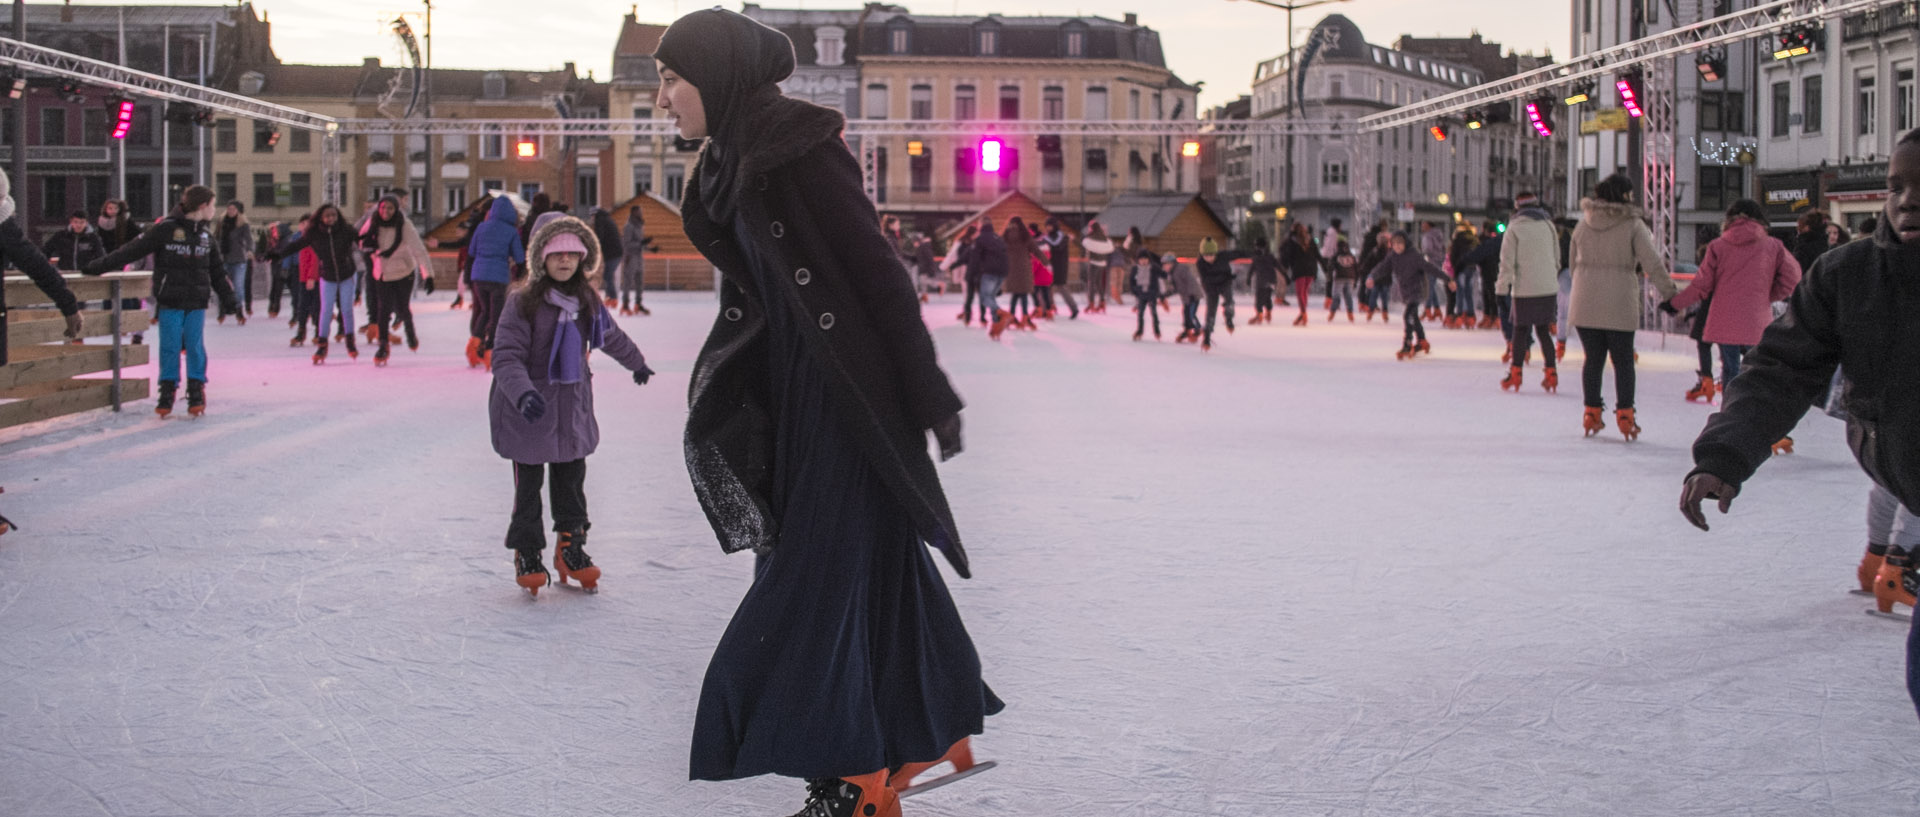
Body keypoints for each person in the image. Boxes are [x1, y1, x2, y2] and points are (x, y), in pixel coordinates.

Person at [653, 12, 1000, 816]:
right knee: (873, 568)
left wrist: (928, 395)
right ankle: (916, 737)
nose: (664, 97)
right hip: (789, 400)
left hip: (848, 398)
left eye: (673, 78)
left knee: (807, 584)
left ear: (717, 73)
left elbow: (878, 273)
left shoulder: (797, 147)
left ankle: (850, 772)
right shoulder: (723, 163)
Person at [1680, 130, 1920, 720]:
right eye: (1896, 187)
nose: (1907, 201)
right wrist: (1725, 455)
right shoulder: (1850, 275)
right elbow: (1781, 370)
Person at [489, 214, 653, 596]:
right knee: (528, 486)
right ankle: (528, 551)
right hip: (529, 409)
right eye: (556, 253)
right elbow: (506, 357)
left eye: (572, 254)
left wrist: (637, 362)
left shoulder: (586, 301)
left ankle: (571, 547)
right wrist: (523, 393)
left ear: (583, 260)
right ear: (540, 259)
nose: (564, 261)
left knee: (571, 483)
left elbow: (610, 336)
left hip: (571, 408)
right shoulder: (522, 303)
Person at [83, 185, 240, 417]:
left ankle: (196, 388)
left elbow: (217, 272)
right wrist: (97, 267)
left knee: (195, 347)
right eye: (213, 205)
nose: (214, 210)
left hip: (196, 302)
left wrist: (230, 300)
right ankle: (167, 389)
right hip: (171, 300)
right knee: (170, 346)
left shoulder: (206, 236)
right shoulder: (165, 229)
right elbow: (131, 250)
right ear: (202, 206)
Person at [1661, 199, 1801, 409]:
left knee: (1730, 369)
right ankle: (1759, 414)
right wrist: (1767, 296)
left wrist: (1674, 304)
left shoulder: (1718, 246)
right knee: (1758, 369)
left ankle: (1729, 416)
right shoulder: (1773, 245)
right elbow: (1793, 277)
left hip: (1725, 319)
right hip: (1757, 319)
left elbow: (1701, 285)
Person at [1569, 172, 1677, 440]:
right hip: (1619, 301)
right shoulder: (1633, 225)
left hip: (1585, 302)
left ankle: (1591, 413)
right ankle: (1625, 415)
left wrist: (1583, 286)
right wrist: (1670, 293)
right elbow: (1651, 262)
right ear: (1626, 195)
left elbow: (1572, 263)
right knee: (1623, 361)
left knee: (1593, 359)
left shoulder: (1584, 223)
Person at [0, 168, 85, 368]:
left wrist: (68, 304)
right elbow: (37, 266)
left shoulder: (4, 227)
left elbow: (37, 265)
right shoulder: (4, 228)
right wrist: (69, 305)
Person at [268, 203, 363, 364]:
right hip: (327, 275)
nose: (331, 218)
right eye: (327, 216)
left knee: (346, 309)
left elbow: (362, 239)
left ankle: (350, 341)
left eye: (333, 215)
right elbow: (295, 246)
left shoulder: (346, 230)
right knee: (325, 311)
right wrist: (277, 254)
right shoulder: (314, 234)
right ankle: (322, 344)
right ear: (321, 217)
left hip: (346, 274)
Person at [1496, 192, 1563, 393]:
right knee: (1543, 331)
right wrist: (1550, 276)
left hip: (1524, 289)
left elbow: (1507, 263)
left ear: (1517, 207)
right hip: (1547, 288)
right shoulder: (1548, 225)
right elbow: (1557, 258)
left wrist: (1501, 289)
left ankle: (1515, 374)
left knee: (1520, 330)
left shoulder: (1514, 227)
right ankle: (1551, 374)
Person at [358, 194, 433, 366]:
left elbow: (419, 250)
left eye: (390, 208)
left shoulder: (404, 224)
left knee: (402, 308)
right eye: (383, 207)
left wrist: (427, 275)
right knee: (383, 310)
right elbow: (361, 239)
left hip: (403, 273)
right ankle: (383, 345)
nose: (385, 211)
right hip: (382, 273)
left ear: (396, 209)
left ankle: (410, 331)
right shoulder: (373, 221)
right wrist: (368, 248)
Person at [1368, 231, 1453, 360]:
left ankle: (1407, 343)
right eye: (1394, 244)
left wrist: (1448, 279)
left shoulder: (1414, 256)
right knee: (1413, 316)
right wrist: (1372, 276)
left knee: (1408, 315)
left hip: (1418, 290)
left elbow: (1431, 268)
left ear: (1405, 243)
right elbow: (1382, 267)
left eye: (1400, 244)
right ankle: (1422, 340)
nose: (1397, 247)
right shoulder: (1392, 257)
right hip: (1406, 291)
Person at [466, 195, 525, 368]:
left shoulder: (482, 227)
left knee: (484, 312)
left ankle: (474, 345)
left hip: (478, 275)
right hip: (498, 277)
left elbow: (472, 251)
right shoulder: (511, 231)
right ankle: (490, 351)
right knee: (496, 315)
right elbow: (519, 257)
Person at [998, 216, 1037, 333]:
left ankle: (1011, 317)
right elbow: (1034, 249)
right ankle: (1024, 317)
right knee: (1023, 294)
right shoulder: (1025, 235)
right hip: (1024, 269)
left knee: (1015, 295)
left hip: (1011, 270)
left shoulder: (1005, 236)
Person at [215, 201, 253, 321]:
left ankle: (239, 311)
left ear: (238, 211)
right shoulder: (222, 222)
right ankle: (222, 311)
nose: (231, 211)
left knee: (238, 286)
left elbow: (249, 239)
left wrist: (250, 250)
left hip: (239, 260)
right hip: (224, 259)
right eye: (229, 209)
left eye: (233, 209)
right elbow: (216, 238)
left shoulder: (243, 225)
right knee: (223, 286)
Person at [971, 217, 1009, 338]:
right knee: (991, 297)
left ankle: (1001, 314)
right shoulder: (998, 238)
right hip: (1002, 272)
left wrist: (973, 274)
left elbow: (975, 259)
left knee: (985, 298)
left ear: (981, 225)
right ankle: (996, 325)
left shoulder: (980, 239)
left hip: (989, 272)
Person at [1278, 224, 1319, 327]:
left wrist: (1285, 266)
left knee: (1300, 293)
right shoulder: (1311, 240)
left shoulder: (1292, 241)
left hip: (1300, 269)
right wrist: (1324, 267)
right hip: (1310, 269)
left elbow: (1287, 254)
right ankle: (1302, 313)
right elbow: (1317, 255)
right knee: (1304, 292)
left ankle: (1303, 313)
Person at [619, 206, 657, 315]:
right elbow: (626, 244)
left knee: (639, 282)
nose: (641, 214)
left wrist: (650, 249)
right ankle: (625, 304)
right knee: (628, 281)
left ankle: (638, 304)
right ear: (634, 212)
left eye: (641, 212)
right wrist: (641, 243)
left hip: (639, 258)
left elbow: (640, 243)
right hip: (630, 258)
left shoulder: (639, 226)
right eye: (639, 212)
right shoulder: (629, 227)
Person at [41, 209, 105, 272]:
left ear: (86, 223)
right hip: (66, 274)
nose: (78, 225)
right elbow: (45, 251)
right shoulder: (61, 236)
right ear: (71, 222)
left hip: (86, 274)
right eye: (76, 222)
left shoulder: (93, 238)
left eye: (82, 222)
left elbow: (100, 257)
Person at [1039, 218, 1079, 318]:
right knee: (1045, 288)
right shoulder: (1046, 238)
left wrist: (1046, 243)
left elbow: (1058, 247)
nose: (1048, 228)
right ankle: (1046, 310)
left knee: (1062, 288)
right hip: (1049, 266)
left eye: (1050, 226)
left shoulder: (1063, 237)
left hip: (1060, 266)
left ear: (1054, 226)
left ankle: (1074, 308)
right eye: (1047, 226)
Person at [1446, 223, 1481, 328]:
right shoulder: (1475, 240)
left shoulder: (1458, 240)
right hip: (1472, 268)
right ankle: (1470, 316)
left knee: (1460, 292)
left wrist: (1455, 268)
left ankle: (1460, 315)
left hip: (1460, 267)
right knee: (1469, 292)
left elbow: (1453, 255)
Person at [589, 207, 625, 309]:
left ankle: (612, 298)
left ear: (595, 215)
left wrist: (593, 246)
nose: (591, 218)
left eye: (592, 216)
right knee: (608, 275)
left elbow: (599, 236)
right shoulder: (607, 219)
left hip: (613, 253)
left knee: (608, 275)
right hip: (615, 253)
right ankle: (610, 297)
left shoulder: (600, 220)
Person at [1130, 248, 1165, 341]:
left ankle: (1157, 331)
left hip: (1152, 294)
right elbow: (1132, 281)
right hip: (1141, 294)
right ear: (1138, 260)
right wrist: (1135, 291)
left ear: (1149, 260)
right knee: (1140, 314)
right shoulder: (1135, 269)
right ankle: (1139, 331)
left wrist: (1167, 271)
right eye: (1141, 259)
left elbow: (1163, 274)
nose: (1143, 261)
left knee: (1154, 313)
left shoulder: (1153, 267)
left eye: (1145, 259)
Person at [945, 224, 978, 322]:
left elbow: (955, 255)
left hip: (965, 268)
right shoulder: (968, 243)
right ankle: (966, 311)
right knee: (967, 291)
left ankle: (966, 311)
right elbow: (957, 255)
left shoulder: (962, 242)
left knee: (966, 291)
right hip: (967, 268)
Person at [1079, 221, 1114, 314]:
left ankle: (1091, 303)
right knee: (1098, 283)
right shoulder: (1105, 238)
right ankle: (1102, 302)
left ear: (1092, 228)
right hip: (1102, 264)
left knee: (1091, 283)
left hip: (1094, 263)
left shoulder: (1091, 237)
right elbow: (1110, 249)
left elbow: (1084, 244)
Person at [1418, 220, 1449, 321]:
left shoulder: (1428, 236)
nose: (1421, 226)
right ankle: (1437, 309)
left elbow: (1428, 249)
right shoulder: (1439, 235)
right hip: (1439, 262)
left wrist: (1422, 254)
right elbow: (1444, 248)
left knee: (1429, 286)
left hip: (1430, 262)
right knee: (1432, 285)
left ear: (1427, 225)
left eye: (1423, 224)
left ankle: (1427, 310)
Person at [1169, 251, 1202, 343]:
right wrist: (1165, 295)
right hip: (1187, 297)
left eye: (1167, 264)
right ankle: (1187, 330)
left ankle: (1198, 330)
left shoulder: (1180, 269)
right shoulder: (1173, 273)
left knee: (1190, 315)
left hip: (1193, 295)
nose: (1166, 267)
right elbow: (1176, 288)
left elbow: (1190, 281)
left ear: (1172, 263)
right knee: (1186, 313)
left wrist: (1192, 295)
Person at [1327, 244, 1360, 322]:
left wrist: (1330, 277)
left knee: (1336, 295)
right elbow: (1357, 269)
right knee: (1348, 296)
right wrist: (1356, 280)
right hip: (1351, 278)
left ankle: (1332, 313)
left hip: (1339, 277)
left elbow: (1330, 266)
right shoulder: (1352, 256)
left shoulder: (1336, 256)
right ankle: (1350, 313)